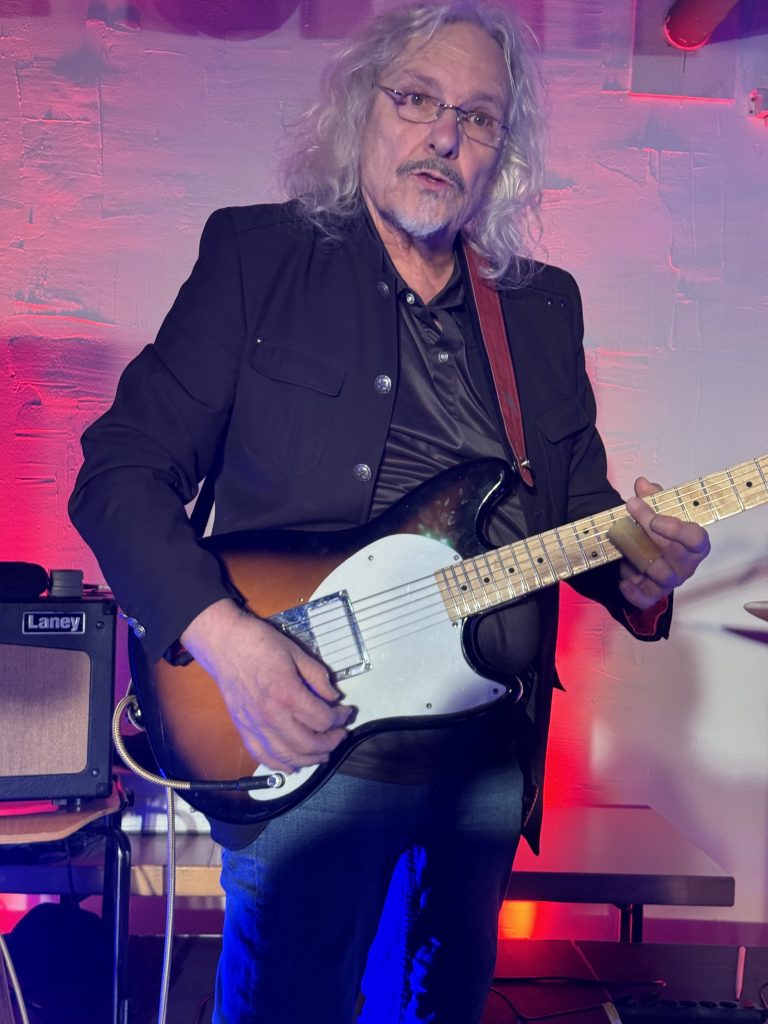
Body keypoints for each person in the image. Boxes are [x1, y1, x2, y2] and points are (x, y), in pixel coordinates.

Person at [69, 3, 711, 1021]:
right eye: (417, 99)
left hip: (484, 762)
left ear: (501, 150)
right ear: (361, 109)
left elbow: (578, 509)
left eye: (479, 116)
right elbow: (118, 474)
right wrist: (227, 640)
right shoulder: (259, 258)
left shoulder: (541, 306)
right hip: (311, 751)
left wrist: (638, 572)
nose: (445, 135)